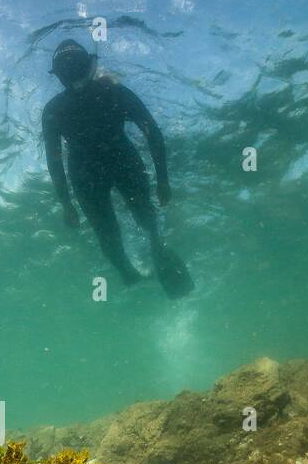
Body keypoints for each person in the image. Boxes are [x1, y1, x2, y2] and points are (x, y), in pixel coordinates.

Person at [42, 39, 194, 297]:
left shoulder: (58, 108)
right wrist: (162, 180)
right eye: (67, 68)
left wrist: (66, 202)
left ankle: (142, 268)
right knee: (125, 225)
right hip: (117, 163)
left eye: (75, 66)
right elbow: (152, 132)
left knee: (117, 228)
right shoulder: (113, 93)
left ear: (89, 65)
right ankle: (132, 276)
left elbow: (54, 160)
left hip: (92, 171)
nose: (73, 74)